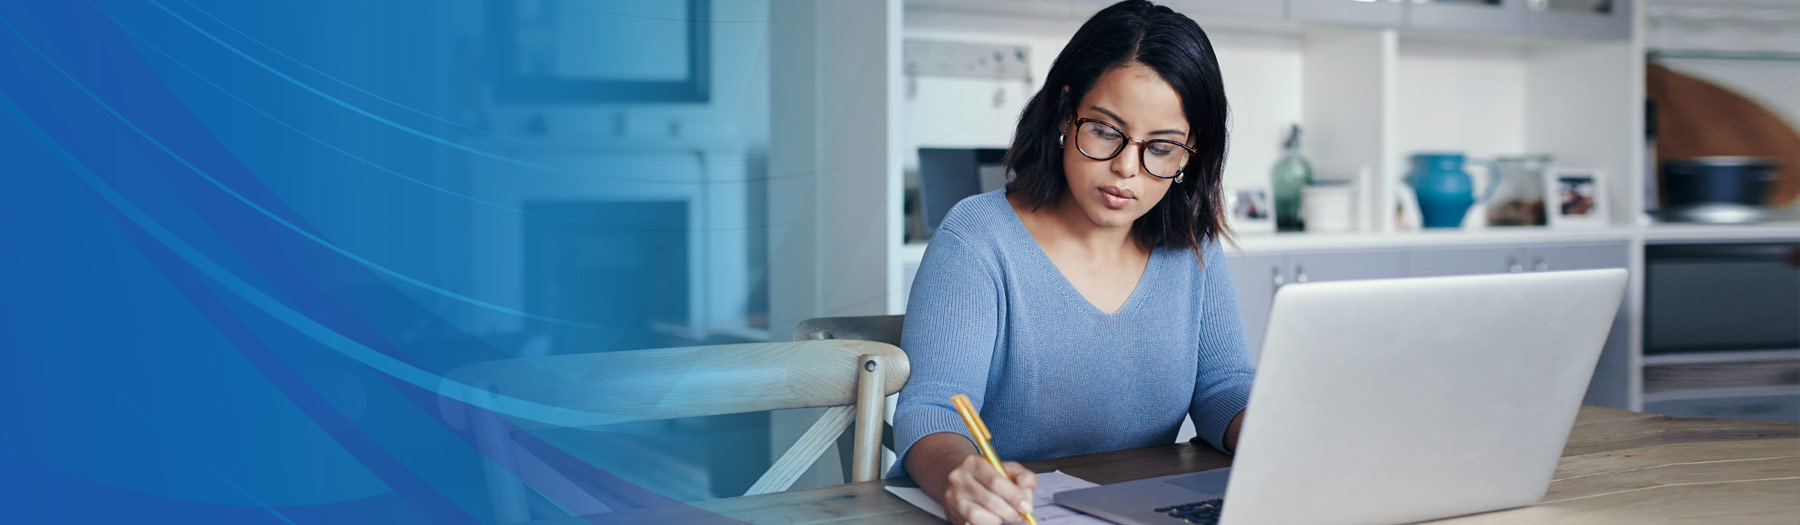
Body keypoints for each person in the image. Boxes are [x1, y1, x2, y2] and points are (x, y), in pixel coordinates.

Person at [890, 2, 1254, 524]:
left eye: (1163, 148)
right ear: (1066, 112)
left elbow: (1223, 390)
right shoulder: (978, 239)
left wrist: (1283, 432)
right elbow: (934, 411)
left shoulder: (1191, 246)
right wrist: (961, 476)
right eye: (1105, 131)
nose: (1127, 168)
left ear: (1191, 152)